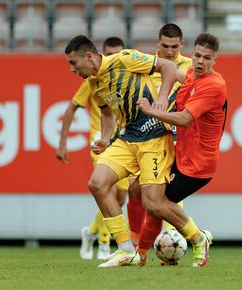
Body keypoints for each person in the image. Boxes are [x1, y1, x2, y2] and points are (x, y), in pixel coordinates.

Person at [65, 35, 177, 267]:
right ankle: (126, 249)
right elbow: (107, 114)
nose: (72, 70)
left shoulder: (125, 59)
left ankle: (197, 238)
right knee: (97, 184)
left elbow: (168, 66)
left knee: (153, 202)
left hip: (153, 135)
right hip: (127, 138)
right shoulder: (94, 83)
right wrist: (106, 138)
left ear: (88, 56)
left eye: (73, 63)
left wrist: (163, 98)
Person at [135, 32, 227, 267]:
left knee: (156, 204)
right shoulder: (190, 77)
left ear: (214, 61)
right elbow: (167, 69)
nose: (200, 61)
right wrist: (133, 62)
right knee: (141, 193)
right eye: (197, 55)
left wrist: (153, 110)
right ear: (191, 54)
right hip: (181, 155)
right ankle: (141, 254)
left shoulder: (214, 85)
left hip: (197, 166)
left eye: (207, 58)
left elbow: (185, 119)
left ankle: (198, 238)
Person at [56, 37, 126, 260]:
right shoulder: (90, 81)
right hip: (100, 140)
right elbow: (71, 109)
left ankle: (91, 232)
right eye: (110, 53)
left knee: (122, 198)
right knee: (108, 189)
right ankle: (105, 245)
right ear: (98, 54)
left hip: (124, 140)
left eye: (118, 53)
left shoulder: (125, 73)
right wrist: (63, 143)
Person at [126, 23, 192, 248]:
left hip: (178, 138)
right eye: (165, 46)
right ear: (158, 43)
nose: (170, 51)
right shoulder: (148, 65)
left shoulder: (191, 67)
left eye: (175, 46)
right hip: (149, 136)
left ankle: (173, 241)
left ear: (182, 44)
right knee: (135, 188)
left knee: (169, 190)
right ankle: (135, 241)